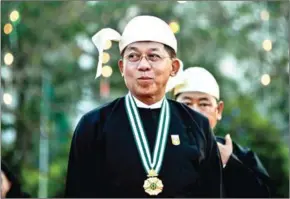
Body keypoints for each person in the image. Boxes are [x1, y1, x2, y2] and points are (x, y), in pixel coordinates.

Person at [64, 15, 223, 197]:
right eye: (133, 56)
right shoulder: (93, 125)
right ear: (122, 67)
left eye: (154, 56)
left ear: (174, 67)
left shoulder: (197, 125)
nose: (143, 65)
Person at [168, 66, 273, 198]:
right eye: (187, 103)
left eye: (204, 104)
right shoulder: (159, 150)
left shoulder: (240, 155)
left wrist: (228, 163)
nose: (195, 112)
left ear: (219, 110)